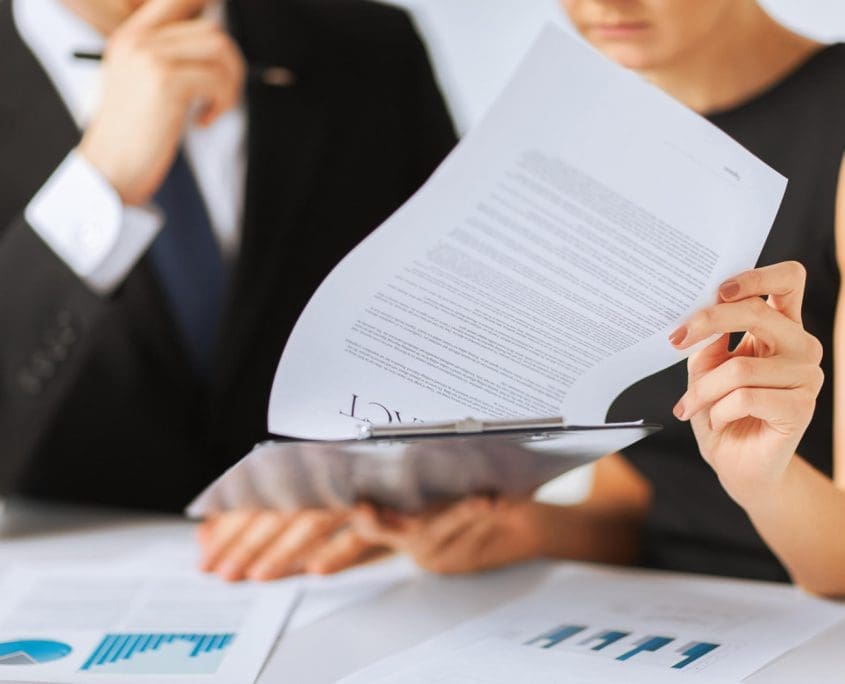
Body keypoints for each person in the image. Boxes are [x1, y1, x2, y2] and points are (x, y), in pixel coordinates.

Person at [342, 0, 845, 596]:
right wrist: (528, 529)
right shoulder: (615, 139)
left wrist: (766, 483)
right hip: (660, 616)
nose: (602, 5)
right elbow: (640, 505)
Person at [0, 0, 456, 575]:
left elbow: (456, 331)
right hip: (61, 598)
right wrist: (101, 185)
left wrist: (390, 495)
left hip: (353, 575)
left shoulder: (370, 46)